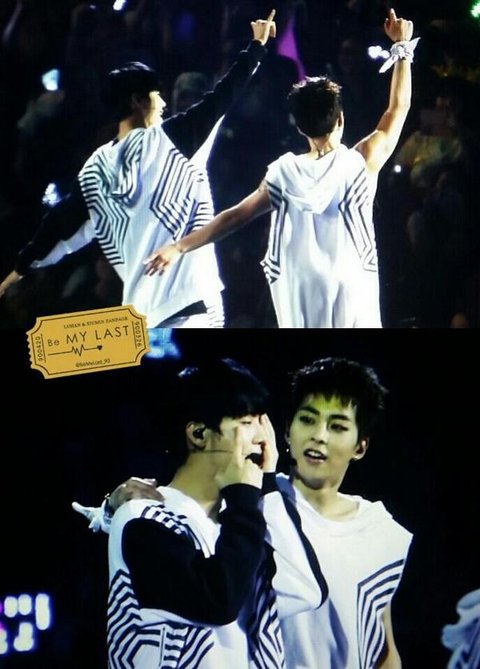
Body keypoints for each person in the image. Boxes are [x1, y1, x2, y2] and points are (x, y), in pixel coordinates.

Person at [76, 355, 411, 668]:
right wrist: (245, 497)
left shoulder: (239, 518)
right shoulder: (142, 517)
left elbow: (304, 590)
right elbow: (218, 600)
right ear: (199, 434)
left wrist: (264, 481)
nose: (261, 437)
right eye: (248, 422)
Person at [0, 11, 277, 328]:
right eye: (156, 95)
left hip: (144, 314)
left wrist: (17, 271)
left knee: (56, 348)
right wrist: (257, 47)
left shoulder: (95, 168)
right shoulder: (173, 138)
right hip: (194, 301)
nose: (163, 102)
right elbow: (222, 95)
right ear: (137, 101)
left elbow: (58, 226)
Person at [144, 8, 417, 328]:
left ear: (299, 127)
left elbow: (235, 217)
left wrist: (179, 246)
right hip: (353, 296)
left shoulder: (283, 173)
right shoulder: (362, 160)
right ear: (341, 119)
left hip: (300, 299)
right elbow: (398, 108)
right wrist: (401, 47)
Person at [277, 356, 412, 668]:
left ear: (360, 446)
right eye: (308, 419)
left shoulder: (378, 531)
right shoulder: (255, 506)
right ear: (287, 431)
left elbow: (382, 646)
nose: (319, 435)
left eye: (337, 426)